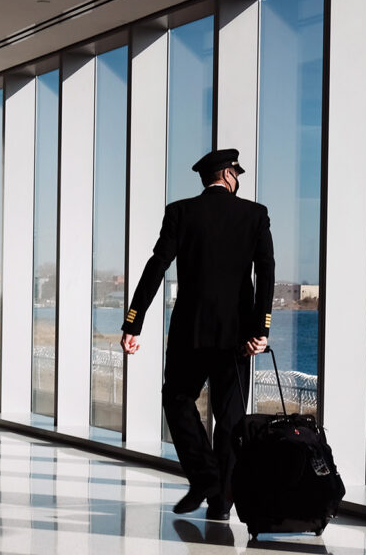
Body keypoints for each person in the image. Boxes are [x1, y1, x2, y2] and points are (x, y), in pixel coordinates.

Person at [120, 148, 274, 521]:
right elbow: (266, 272)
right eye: (237, 173)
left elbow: (156, 266)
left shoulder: (180, 212)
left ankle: (204, 476)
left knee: (176, 400)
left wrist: (133, 323)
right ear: (227, 174)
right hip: (237, 337)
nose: (238, 180)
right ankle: (221, 502)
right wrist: (260, 329)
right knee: (231, 419)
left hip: (189, 332)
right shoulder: (254, 214)